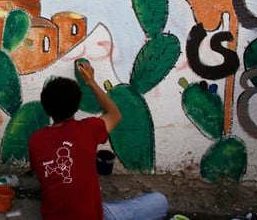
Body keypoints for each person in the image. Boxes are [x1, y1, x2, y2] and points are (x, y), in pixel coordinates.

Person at [28, 60, 169, 220]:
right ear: (77, 106)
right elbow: (114, 114)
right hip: (94, 216)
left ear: (45, 106)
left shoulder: (35, 140)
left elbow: (40, 173)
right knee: (159, 202)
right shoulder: (88, 130)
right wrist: (90, 81)